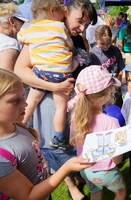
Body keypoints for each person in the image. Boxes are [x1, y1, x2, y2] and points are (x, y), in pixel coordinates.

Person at [14, 0, 97, 199]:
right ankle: (72, 187)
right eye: (80, 21)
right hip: (51, 101)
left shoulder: (74, 36)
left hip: (72, 102)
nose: (82, 27)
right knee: (55, 147)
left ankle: (75, 176)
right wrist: (55, 87)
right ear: (65, 12)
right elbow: (20, 71)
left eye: (87, 24)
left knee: (69, 144)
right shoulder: (46, 33)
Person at [0, 68, 95, 200]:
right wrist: (66, 168)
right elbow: (28, 196)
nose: (25, 103)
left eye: (23, 96)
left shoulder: (16, 126)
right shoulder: (1, 158)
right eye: (14, 100)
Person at [18, 0, 77, 151]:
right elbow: (69, 45)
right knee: (60, 108)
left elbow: (20, 38)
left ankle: (19, 128)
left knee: (30, 102)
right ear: (52, 11)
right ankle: (58, 138)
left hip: (41, 73)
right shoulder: (60, 26)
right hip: (61, 74)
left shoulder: (29, 27)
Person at [69, 65, 127, 200]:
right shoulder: (111, 122)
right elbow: (117, 160)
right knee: (121, 192)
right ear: (104, 97)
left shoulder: (75, 117)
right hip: (106, 172)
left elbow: (73, 142)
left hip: (86, 170)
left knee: (95, 193)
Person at [0, 3, 27, 72]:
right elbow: (8, 80)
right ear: (12, 22)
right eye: (22, 22)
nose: (24, 26)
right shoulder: (9, 43)